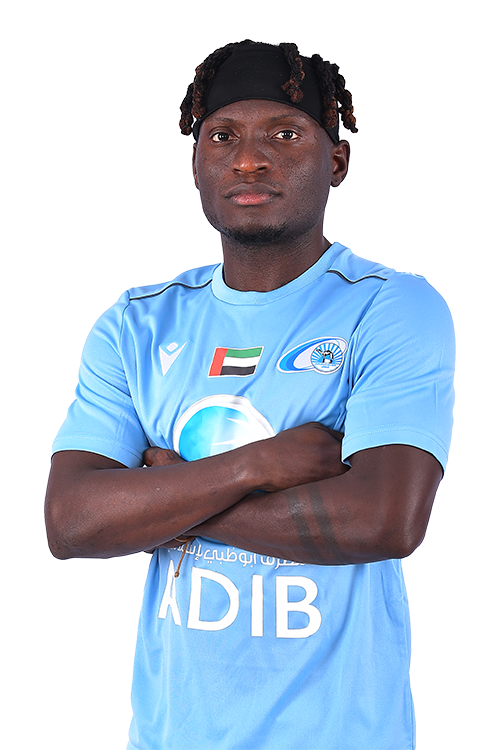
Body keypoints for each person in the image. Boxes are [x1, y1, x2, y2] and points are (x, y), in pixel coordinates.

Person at [44, 40, 455, 749]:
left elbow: (384, 520)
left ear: (337, 162)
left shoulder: (390, 306)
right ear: (197, 164)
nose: (249, 160)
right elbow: (72, 523)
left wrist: (164, 500)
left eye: (285, 135)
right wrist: (251, 467)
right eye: (222, 137)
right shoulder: (137, 322)